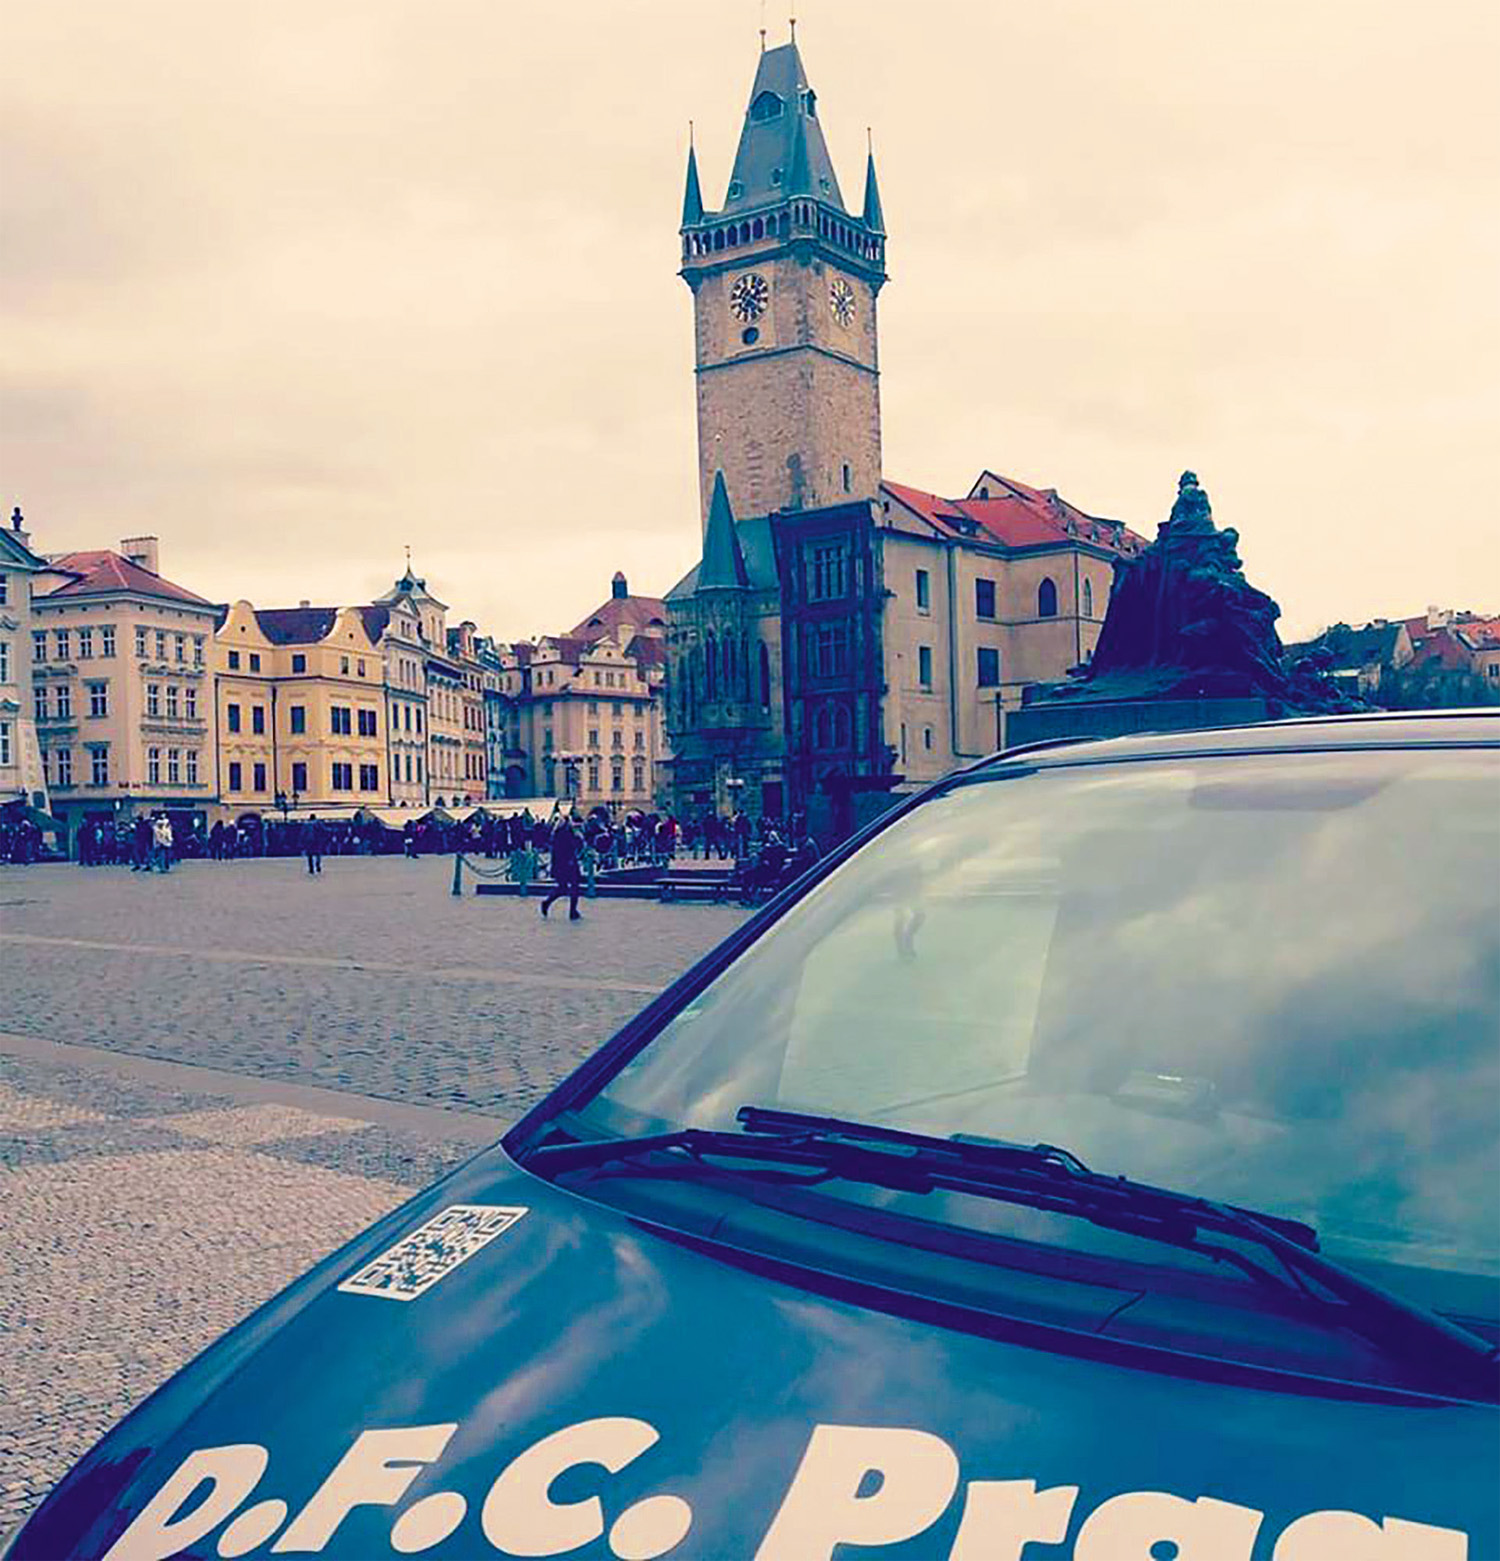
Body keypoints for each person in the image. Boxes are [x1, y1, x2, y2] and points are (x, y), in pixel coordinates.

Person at [540, 815, 583, 921]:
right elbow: (571, 847)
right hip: (568, 863)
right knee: (573, 887)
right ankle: (572, 911)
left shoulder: (557, 833)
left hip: (560, 864)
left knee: (565, 887)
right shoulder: (566, 833)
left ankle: (548, 903)